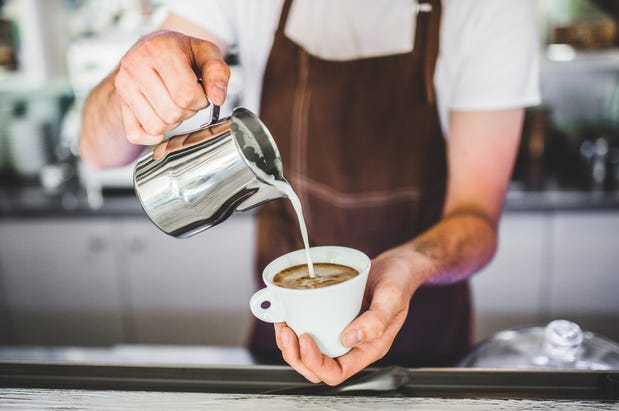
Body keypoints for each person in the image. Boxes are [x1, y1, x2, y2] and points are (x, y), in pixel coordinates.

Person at [79, 0, 540, 386]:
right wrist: (136, 78)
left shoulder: (492, 8)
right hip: (287, 339)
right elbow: (97, 149)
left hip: (424, 342)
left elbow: (476, 217)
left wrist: (411, 265)